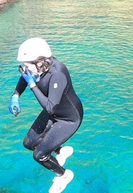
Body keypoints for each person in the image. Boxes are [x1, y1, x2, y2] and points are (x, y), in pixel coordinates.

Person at [8, 38, 84, 193]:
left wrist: (32, 85)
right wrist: (15, 95)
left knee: (40, 155)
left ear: (40, 61)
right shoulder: (37, 67)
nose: (25, 68)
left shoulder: (57, 73)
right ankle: (61, 151)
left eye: (27, 64)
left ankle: (64, 176)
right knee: (28, 144)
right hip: (54, 112)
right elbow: (25, 76)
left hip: (68, 118)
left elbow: (50, 107)